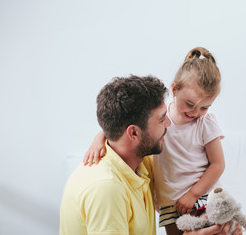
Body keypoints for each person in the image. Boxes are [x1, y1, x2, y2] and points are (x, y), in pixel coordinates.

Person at [84, 48, 233, 235]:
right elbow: (125, 123)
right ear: (175, 89)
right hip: (169, 202)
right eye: (190, 104)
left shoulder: (205, 122)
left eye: (204, 107)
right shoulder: (161, 118)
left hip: (201, 196)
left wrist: (193, 194)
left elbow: (218, 164)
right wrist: (99, 138)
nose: (195, 112)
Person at [60, 75, 170, 234]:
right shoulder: (106, 188)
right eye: (162, 119)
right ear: (133, 133)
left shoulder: (140, 160)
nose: (169, 124)